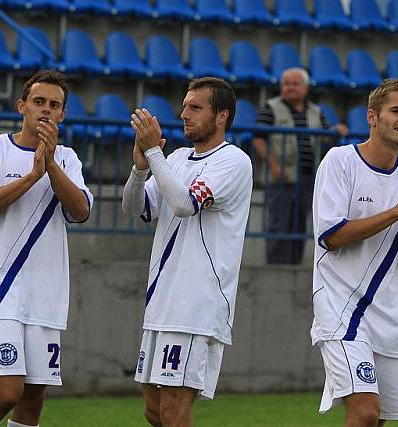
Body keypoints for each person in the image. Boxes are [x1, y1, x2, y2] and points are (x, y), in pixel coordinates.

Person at [122, 77, 253, 426]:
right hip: (162, 301)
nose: (183, 114)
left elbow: (184, 204)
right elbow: (135, 208)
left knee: (174, 410)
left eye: (195, 108)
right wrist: (139, 169)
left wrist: (153, 153)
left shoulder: (234, 162)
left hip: (197, 305)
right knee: (154, 411)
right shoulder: (177, 158)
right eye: (184, 106)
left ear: (222, 116)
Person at [0, 70, 92, 427]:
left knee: (34, 397)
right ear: (22, 106)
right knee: (8, 392)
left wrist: (49, 164)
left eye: (54, 105)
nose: (46, 111)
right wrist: (32, 176)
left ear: (63, 114)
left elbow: (80, 211)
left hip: (46, 294)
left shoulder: (67, 158)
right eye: (39, 102)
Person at [311, 79, 398, 426]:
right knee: (364, 412)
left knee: (379, 420)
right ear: (372, 117)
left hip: (392, 317)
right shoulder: (340, 160)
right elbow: (331, 236)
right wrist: (397, 210)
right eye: (396, 111)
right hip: (341, 310)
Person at [252, 67, 348, 265]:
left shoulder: (316, 111)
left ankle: (294, 264)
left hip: (307, 178)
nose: (290, 87)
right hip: (281, 178)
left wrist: (336, 131)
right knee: (279, 224)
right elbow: (258, 140)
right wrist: (273, 165)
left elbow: (325, 139)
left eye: (295, 84)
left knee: (299, 224)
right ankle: (276, 268)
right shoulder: (269, 108)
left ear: (305, 88)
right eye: (286, 83)